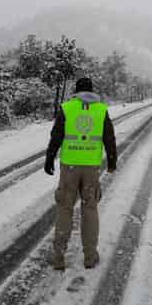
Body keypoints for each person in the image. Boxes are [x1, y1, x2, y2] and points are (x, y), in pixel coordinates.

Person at [44, 77, 117, 270]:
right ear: (92, 91)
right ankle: (90, 256)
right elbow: (109, 138)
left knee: (65, 209)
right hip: (91, 169)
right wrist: (112, 161)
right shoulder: (101, 110)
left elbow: (56, 136)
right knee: (90, 210)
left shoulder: (67, 108)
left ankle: (59, 256)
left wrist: (50, 158)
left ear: (76, 91)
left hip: (69, 168)